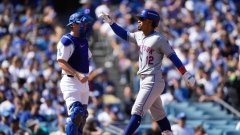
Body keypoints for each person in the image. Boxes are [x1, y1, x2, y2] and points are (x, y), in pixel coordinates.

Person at [98, 9, 196, 135]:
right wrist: (111, 23)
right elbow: (124, 34)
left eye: (141, 19)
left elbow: (173, 56)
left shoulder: (159, 39)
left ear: (149, 22)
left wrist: (185, 73)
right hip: (144, 80)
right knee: (159, 115)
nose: (138, 21)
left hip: (153, 79)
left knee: (137, 110)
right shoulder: (139, 36)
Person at [57, 11, 93, 135]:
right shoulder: (67, 40)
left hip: (83, 83)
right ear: (73, 25)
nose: (85, 26)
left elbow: (87, 58)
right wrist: (77, 74)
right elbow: (61, 62)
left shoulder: (84, 41)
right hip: (71, 81)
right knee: (76, 113)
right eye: (82, 23)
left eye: (85, 24)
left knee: (83, 117)